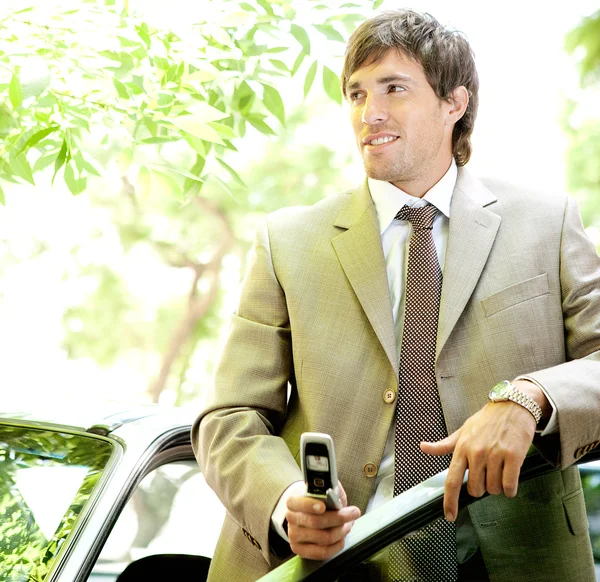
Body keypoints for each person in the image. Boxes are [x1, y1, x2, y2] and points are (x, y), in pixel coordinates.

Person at [192, 8, 600, 581]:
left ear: (453, 103)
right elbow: (228, 417)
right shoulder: (288, 241)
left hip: (511, 561)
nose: (369, 112)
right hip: (329, 566)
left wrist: (532, 397)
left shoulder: (548, 223)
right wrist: (285, 502)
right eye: (356, 94)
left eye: (393, 88)